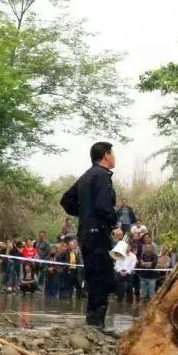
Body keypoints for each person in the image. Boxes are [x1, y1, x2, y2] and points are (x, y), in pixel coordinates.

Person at [61, 142, 118, 331]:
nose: (115, 157)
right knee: (102, 276)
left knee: (94, 276)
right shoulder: (102, 175)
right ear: (105, 155)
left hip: (85, 233)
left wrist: (86, 213)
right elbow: (104, 206)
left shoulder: (86, 175)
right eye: (112, 153)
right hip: (98, 233)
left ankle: (92, 324)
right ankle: (97, 325)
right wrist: (114, 224)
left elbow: (66, 200)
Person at [137, 234, 159, 299]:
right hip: (144, 273)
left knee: (151, 293)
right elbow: (141, 261)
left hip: (152, 274)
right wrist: (144, 263)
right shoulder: (143, 248)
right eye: (145, 238)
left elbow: (154, 262)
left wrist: (147, 264)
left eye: (147, 237)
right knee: (143, 292)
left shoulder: (154, 246)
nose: (148, 248)